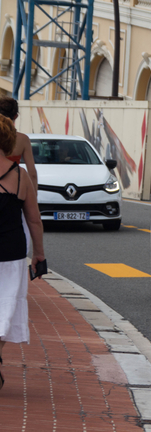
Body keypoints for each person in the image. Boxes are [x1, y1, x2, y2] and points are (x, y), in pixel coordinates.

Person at [0, 114, 45, 391]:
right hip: (11, 252)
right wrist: (38, 253)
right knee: (5, 305)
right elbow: (34, 220)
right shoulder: (20, 176)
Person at [0, 97, 37, 191]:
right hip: (12, 187)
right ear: (16, 116)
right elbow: (32, 174)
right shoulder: (23, 139)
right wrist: (33, 195)